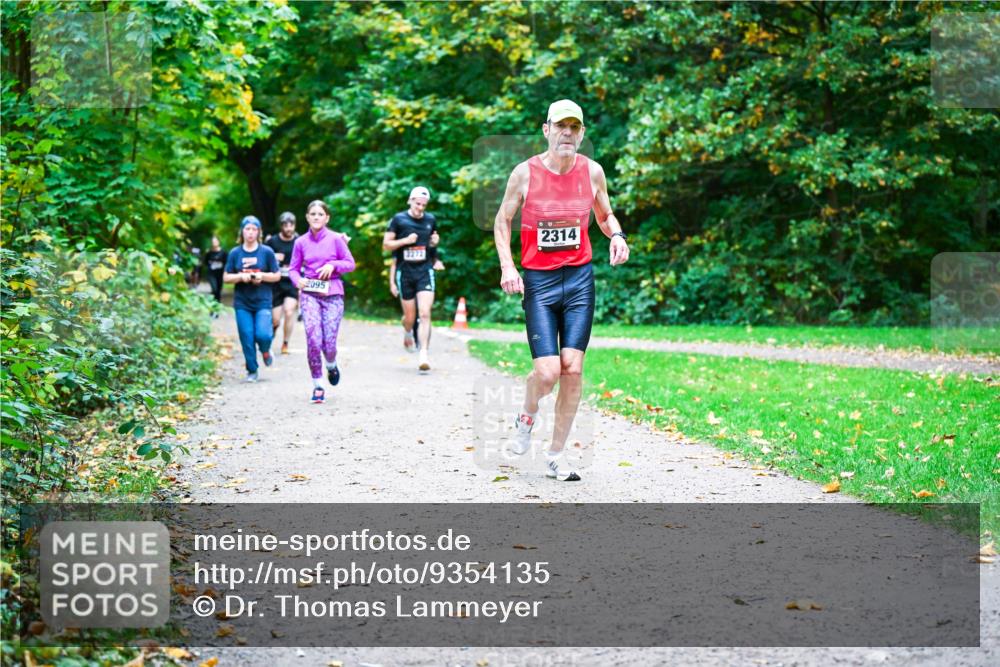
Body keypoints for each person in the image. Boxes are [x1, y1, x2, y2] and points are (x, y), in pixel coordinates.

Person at [493, 99, 630, 481]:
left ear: (582, 133)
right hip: (539, 280)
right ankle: (527, 415)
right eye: (560, 126)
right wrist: (508, 266)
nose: (567, 133)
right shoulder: (524, 174)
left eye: (575, 127)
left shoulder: (593, 172)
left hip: (580, 279)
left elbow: (604, 214)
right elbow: (502, 222)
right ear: (546, 130)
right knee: (548, 372)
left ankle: (555, 455)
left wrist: (616, 235)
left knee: (573, 368)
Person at [288, 200, 356, 404]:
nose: (316, 217)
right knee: (313, 337)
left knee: (329, 342)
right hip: (309, 293)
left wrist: (333, 265)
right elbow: (293, 268)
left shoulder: (336, 239)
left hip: (333, 294)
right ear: (307, 217)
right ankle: (318, 384)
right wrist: (297, 280)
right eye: (313, 214)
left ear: (327, 218)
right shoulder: (300, 242)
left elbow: (350, 264)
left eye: (320, 214)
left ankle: (332, 363)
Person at [383, 186, 440, 371]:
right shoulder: (398, 220)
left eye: (424, 205)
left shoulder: (430, 219)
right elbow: (386, 245)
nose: (420, 208)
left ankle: (423, 352)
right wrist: (405, 241)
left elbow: (432, 243)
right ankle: (407, 330)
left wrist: (434, 247)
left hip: (424, 271)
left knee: (425, 313)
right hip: (405, 272)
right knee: (410, 317)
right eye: (417, 204)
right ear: (410, 201)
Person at [223, 216, 281, 382]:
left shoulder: (266, 252)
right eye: (247, 229)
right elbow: (226, 277)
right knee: (247, 336)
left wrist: (261, 276)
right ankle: (252, 370)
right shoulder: (235, 253)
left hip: (263, 300)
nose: (250, 233)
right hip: (242, 303)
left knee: (263, 334)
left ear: (259, 232)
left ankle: (265, 350)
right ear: (242, 231)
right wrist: (242, 277)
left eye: (254, 229)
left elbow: (277, 275)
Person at [266, 212, 300, 355]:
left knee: (289, 311)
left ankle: (285, 343)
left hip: (292, 282)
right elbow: (264, 259)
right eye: (285, 225)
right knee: (275, 319)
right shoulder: (272, 242)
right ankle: (273, 329)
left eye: (291, 225)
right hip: (276, 284)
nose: (288, 228)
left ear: (294, 225)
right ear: (281, 226)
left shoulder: (299, 241)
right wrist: (273, 257)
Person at [204, 236, 228, 306]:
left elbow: (226, 263)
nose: (214, 243)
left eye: (215, 241)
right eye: (213, 242)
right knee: (214, 289)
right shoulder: (209, 253)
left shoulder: (223, 252)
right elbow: (205, 262)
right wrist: (211, 265)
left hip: (220, 274)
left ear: (218, 242)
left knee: (218, 290)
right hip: (211, 274)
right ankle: (212, 305)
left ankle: (217, 306)